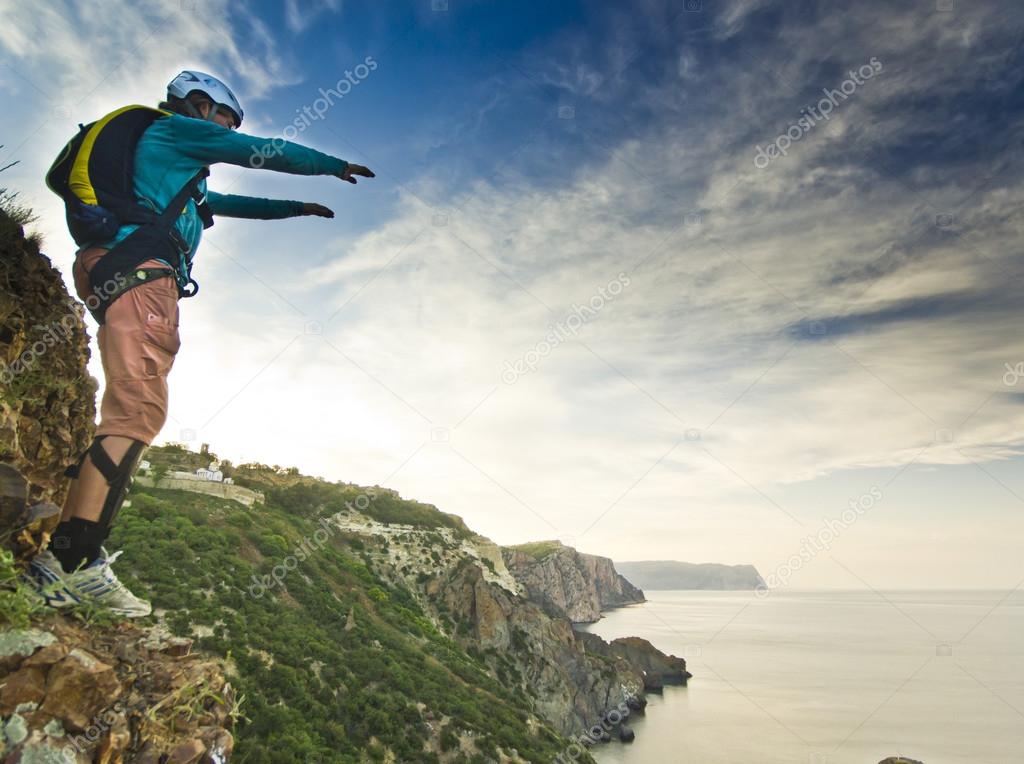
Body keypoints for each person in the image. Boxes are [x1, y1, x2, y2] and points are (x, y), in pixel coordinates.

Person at [27, 70, 374, 617]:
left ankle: (70, 553)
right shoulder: (174, 131)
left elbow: (225, 204)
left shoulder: (171, 176)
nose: (226, 131)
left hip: (115, 267)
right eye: (225, 119)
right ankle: (69, 564)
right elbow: (262, 150)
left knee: (132, 408)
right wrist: (332, 166)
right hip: (141, 272)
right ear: (198, 104)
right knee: (136, 410)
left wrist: (294, 208)